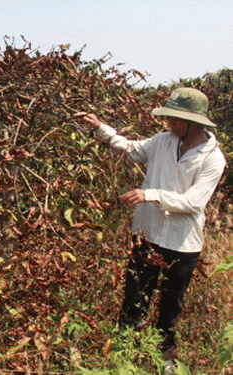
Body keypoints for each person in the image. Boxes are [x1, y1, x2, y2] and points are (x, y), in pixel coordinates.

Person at [76, 87, 226, 372]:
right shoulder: (162, 141)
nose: (169, 123)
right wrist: (101, 128)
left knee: (171, 304)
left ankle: (164, 359)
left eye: (175, 119)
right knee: (134, 296)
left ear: (194, 122)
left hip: (183, 243)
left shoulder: (212, 158)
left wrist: (151, 195)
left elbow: (193, 203)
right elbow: (132, 150)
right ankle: (121, 353)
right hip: (147, 233)